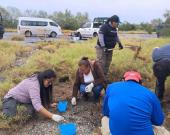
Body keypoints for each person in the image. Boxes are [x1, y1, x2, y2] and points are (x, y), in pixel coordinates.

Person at [101, 71, 165, 135]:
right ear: (140, 83)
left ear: (123, 80)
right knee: (161, 130)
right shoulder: (150, 94)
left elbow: (106, 112)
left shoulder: (111, 87)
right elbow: (159, 121)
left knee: (105, 119)